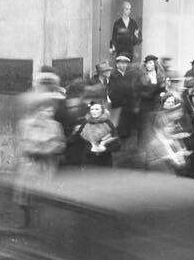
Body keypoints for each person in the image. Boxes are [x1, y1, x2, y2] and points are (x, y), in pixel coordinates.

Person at [13, 95, 65, 224]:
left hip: (46, 164)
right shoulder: (26, 124)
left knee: (42, 195)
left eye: (51, 111)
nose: (48, 114)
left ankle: (40, 221)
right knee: (25, 195)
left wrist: (48, 149)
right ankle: (26, 219)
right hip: (30, 164)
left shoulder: (55, 126)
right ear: (38, 110)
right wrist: (32, 149)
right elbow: (21, 142)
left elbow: (60, 143)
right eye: (44, 110)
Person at [145, 93, 190, 172]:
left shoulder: (172, 118)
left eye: (172, 103)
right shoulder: (160, 117)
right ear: (163, 103)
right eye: (168, 102)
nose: (171, 105)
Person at [74, 98, 120, 166]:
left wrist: (104, 149)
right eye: (92, 109)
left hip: (104, 160)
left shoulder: (107, 124)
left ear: (102, 111)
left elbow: (116, 143)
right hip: (88, 160)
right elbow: (78, 140)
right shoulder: (85, 123)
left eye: (97, 109)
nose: (94, 111)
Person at [106, 53, 139, 145]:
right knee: (122, 131)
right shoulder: (114, 76)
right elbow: (112, 92)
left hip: (130, 106)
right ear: (117, 65)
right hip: (120, 107)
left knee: (130, 131)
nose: (124, 65)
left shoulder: (130, 75)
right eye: (122, 63)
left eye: (125, 63)